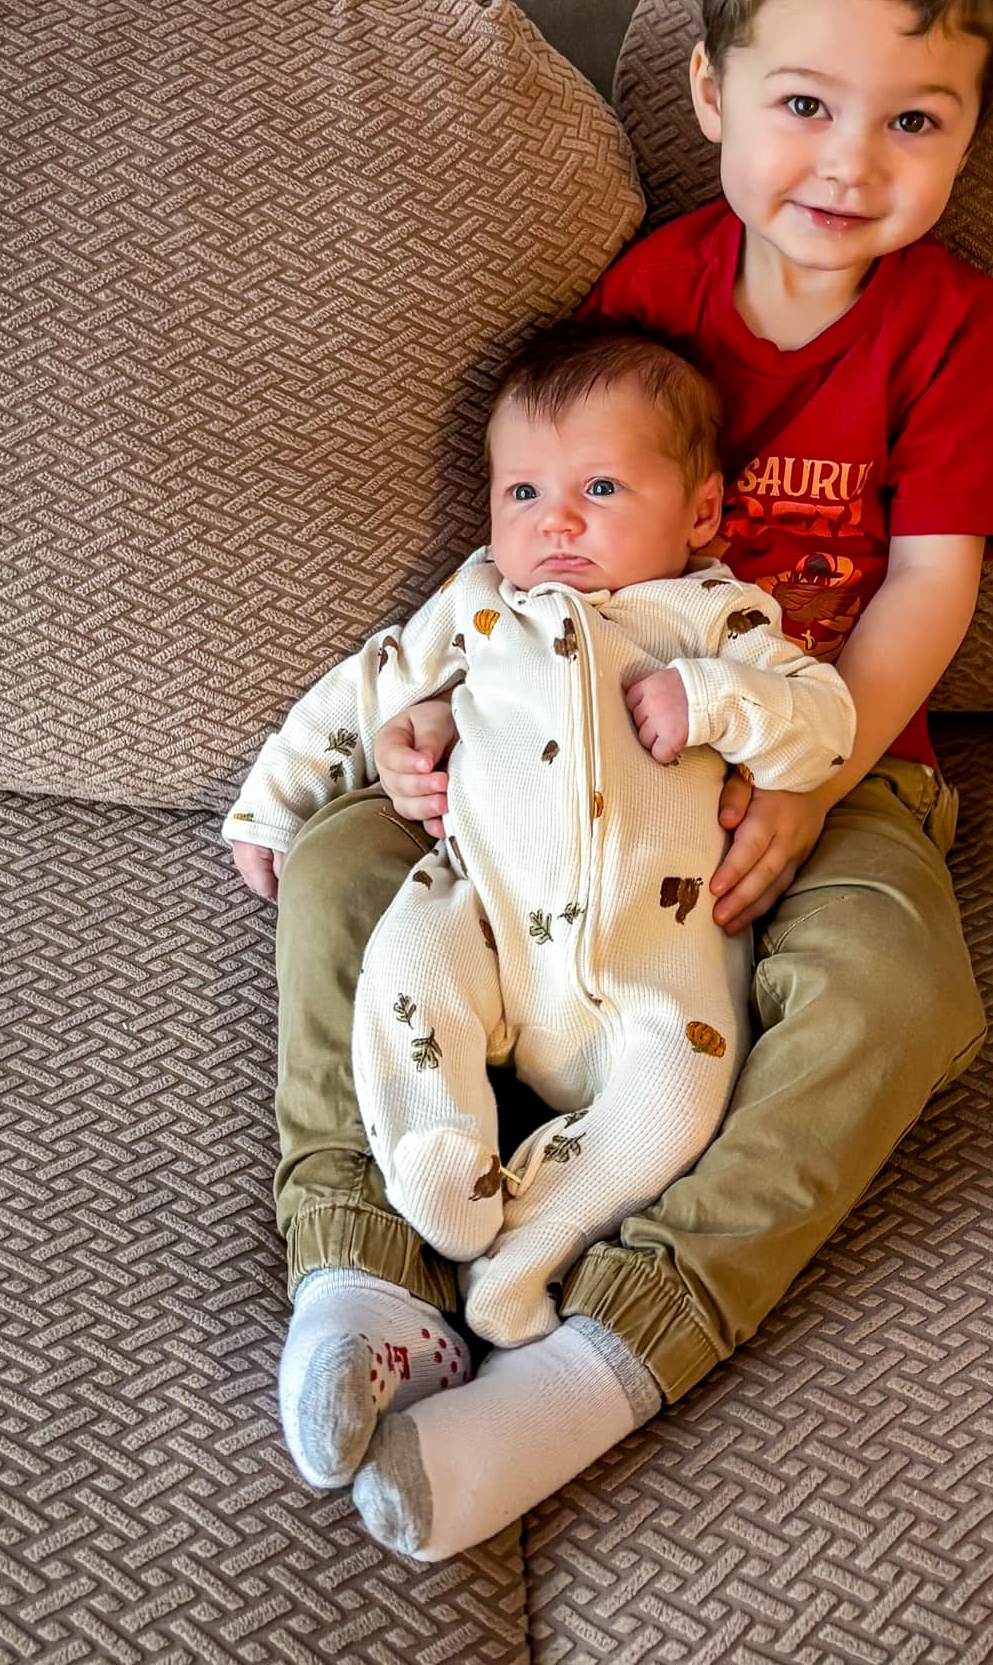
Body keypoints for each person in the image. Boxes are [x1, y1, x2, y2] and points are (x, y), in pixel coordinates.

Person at [273, 0, 993, 1560]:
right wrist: (440, 717)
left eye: (915, 119)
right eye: (805, 103)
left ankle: (609, 1350)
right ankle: (362, 1275)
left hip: (832, 764)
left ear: (972, 129)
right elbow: (538, 553)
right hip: (570, 748)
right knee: (338, 861)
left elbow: (928, 586)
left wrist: (809, 786)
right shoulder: (652, 297)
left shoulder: (952, 327)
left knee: (903, 987)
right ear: (710, 92)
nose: (850, 162)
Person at [227, 330, 853, 1360]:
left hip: (661, 979)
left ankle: (524, 1249)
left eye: (600, 487)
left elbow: (823, 721)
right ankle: (439, 1150)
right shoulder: (482, 602)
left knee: (678, 1104)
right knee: (405, 970)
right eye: (522, 492)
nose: (555, 518)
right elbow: (368, 687)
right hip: (484, 919)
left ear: (701, 512)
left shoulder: (713, 615)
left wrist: (710, 699)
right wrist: (275, 801)